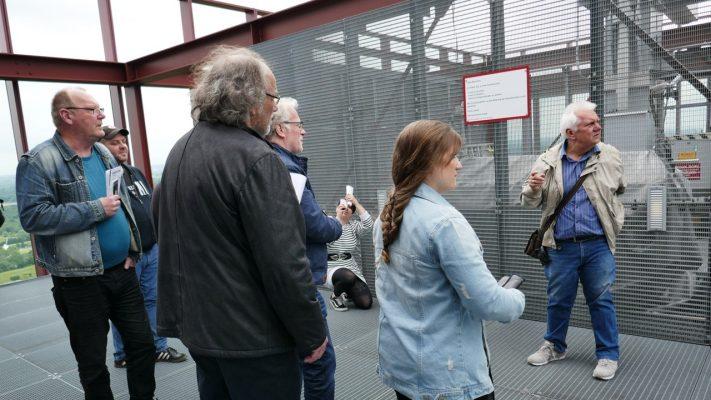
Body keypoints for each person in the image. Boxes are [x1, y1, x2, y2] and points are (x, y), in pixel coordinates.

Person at [15, 87, 155, 399]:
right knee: (93, 363)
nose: (101, 115)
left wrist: (132, 248)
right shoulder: (39, 161)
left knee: (143, 346)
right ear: (67, 116)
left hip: (122, 272)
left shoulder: (103, 154)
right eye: (92, 110)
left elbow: (121, 202)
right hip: (79, 282)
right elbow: (33, 217)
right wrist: (94, 210)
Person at [374, 120, 525, 400]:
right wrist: (515, 298)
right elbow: (489, 303)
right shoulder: (445, 223)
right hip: (447, 378)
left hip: (403, 366)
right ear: (428, 163)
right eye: (453, 157)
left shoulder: (388, 214)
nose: (459, 164)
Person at [521, 100, 626, 381]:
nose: (598, 126)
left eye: (597, 121)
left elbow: (618, 189)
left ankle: (608, 355)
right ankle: (554, 346)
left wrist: (615, 218)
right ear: (571, 133)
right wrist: (532, 188)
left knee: (601, 300)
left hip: (598, 245)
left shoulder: (610, 155)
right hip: (560, 246)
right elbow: (529, 201)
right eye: (591, 123)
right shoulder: (547, 160)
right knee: (558, 299)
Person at [265, 96, 342, 400]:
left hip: (276, 284)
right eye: (299, 124)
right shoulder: (288, 169)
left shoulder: (267, 162)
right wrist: (337, 222)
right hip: (299, 285)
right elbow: (315, 226)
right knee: (319, 363)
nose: (304, 131)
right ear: (281, 129)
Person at [100, 126, 187, 368]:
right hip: (128, 255)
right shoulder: (107, 178)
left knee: (152, 300)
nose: (122, 146)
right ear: (101, 148)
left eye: (123, 141)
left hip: (151, 249)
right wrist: (128, 249)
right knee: (123, 306)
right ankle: (123, 354)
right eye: (114, 143)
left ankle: (159, 348)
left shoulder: (134, 172)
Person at [325, 193, 374, 311]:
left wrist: (355, 202)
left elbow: (369, 225)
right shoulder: (328, 222)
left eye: (350, 207)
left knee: (365, 303)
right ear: (336, 209)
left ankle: (346, 291)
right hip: (331, 268)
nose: (346, 208)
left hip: (351, 267)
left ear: (352, 212)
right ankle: (335, 296)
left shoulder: (354, 226)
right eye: (342, 206)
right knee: (347, 276)